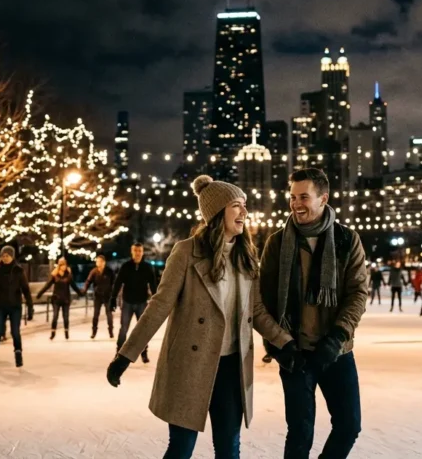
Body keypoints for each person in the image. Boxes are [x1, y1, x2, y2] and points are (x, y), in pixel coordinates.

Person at [106, 175, 295, 459]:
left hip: (232, 368)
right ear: (218, 211)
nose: (244, 212)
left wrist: (285, 342)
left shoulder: (246, 258)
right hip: (190, 364)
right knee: (181, 449)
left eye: (245, 205)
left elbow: (255, 312)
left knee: (229, 450)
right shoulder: (186, 252)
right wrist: (125, 356)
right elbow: (159, 305)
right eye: (236, 205)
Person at [257, 167, 369, 459]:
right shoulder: (277, 242)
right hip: (295, 353)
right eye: (293, 197)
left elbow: (358, 293)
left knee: (349, 425)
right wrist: (281, 343)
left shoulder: (346, 240)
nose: (296, 204)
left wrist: (337, 337)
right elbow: (261, 302)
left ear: (323, 198)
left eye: (304, 197)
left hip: (336, 351)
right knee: (300, 434)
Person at [0, 246, 33, 369]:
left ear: (12, 257)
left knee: (15, 331)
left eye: (8, 256)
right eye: (3, 256)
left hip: (15, 306)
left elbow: (26, 289)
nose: (5, 258)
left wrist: (30, 306)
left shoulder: (18, 271)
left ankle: (18, 354)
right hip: (0, 306)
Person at [112, 242, 158, 363]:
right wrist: (113, 298)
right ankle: (119, 352)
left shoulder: (147, 267)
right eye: (135, 251)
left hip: (142, 302)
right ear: (132, 252)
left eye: (140, 251)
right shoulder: (126, 266)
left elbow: (153, 285)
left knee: (142, 329)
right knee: (124, 328)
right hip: (127, 302)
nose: (137, 253)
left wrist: (157, 300)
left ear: (142, 252)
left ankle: (143, 352)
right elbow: (118, 282)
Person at [37, 257, 83, 340]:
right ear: (59, 266)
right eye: (61, 265)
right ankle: (53, 333)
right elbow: (47, 285)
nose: (63, 267)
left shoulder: (68, 276)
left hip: (66, 299)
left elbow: (74, 286)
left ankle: (66, 332)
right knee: (55, 316)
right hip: (56, 299)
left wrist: (80, 293)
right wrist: (40, 293)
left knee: (66, 317)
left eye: (64, 265)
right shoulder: (55, 275)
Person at [83, 255, 115, 339]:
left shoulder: (109, 271)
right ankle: (94, 331)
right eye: (97, 261)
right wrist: (84, 290)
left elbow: (114, 282)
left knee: (109, 314)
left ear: (104, 262)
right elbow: (88, 281)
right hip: (97, 296)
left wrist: (113, 293)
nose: (98, 263)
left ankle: (111, 331)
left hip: (107, 296)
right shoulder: (94, 271)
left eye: (100, 261)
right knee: (95, 315)